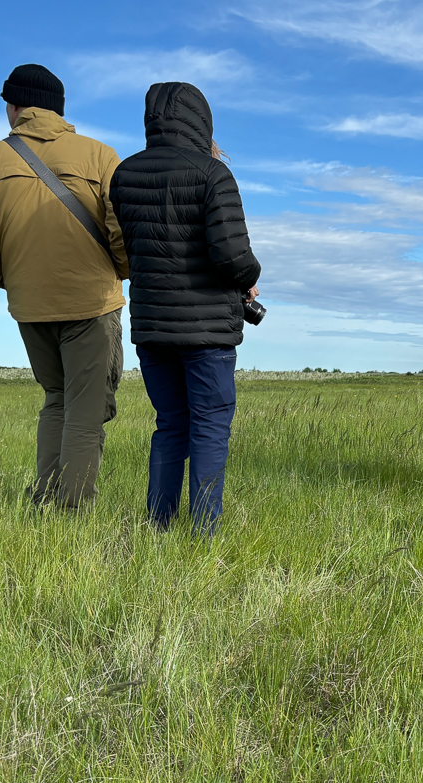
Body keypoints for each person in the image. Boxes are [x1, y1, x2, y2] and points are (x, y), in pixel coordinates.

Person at [0, 64, 128, 507]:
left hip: (30, 307)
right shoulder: (101, 155)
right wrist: (118, 270)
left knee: (56, 400)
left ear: (14, 107)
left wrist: (11, 278)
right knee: (85, 415)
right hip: (93, 302)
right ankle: (70, 518)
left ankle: (45, 503)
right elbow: (124, 230)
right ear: (60, 109)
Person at [110, 82, 261, 535]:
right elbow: (232, 256)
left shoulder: (124, 175)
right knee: (210, 428)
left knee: (170, 425)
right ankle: (205, 533)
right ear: (201, 120)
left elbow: (130, 249)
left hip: (153, 327)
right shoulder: (214, 175)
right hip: (208, 331)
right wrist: (250, 279)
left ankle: (158, 527)